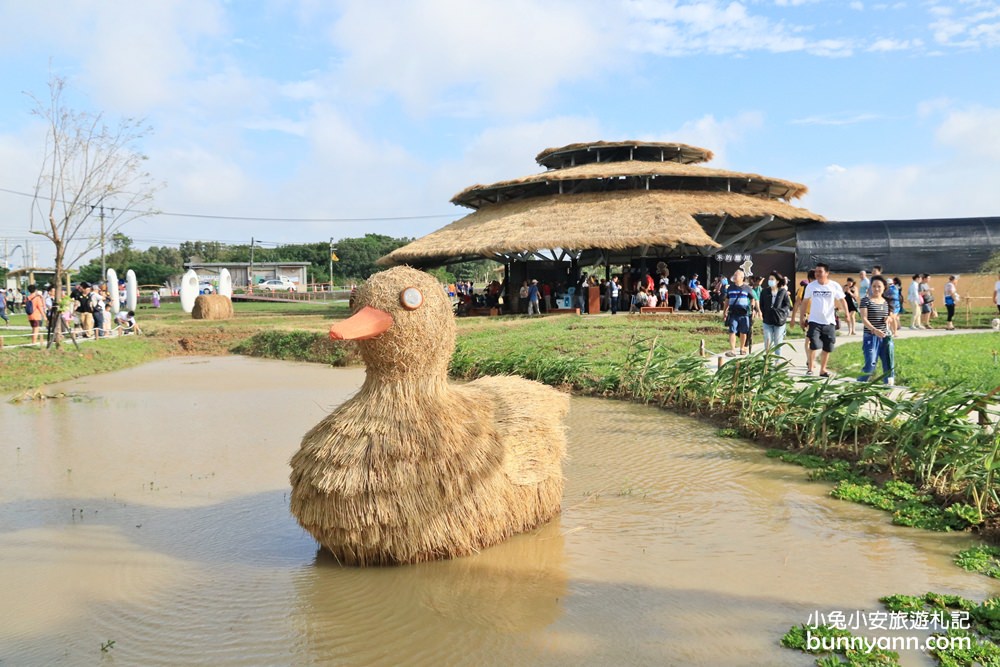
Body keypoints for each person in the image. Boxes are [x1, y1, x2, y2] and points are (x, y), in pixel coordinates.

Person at [799, 263, 847, 377]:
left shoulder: (834, 286)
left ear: (827, 273)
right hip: (814, 321)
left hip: (829, 321)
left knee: (828, 346)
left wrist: (847, 314)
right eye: (816, 272)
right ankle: (810, 368)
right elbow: (804, 302)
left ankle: (823, 370)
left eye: (820, 271)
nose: (817, 274)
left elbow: (842, 300)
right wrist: (802, 317)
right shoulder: (811, 286)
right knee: (813, 344)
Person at [858, 275, 895, 385]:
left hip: (885, 337)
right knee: (870, 364)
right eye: (874, 286)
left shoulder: (886, 302)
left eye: (879, 286)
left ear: (884, 287)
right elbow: (864, 319)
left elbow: (891, 316)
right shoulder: (866, 300)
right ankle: (859, 384)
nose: (876, 289)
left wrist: (889, 318)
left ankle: (888, 386)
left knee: (888, 363)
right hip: (871, 336)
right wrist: (874, 330)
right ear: (870, 287)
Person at [722, 269, 759, 356]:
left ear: (742, 278)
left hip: (744, 313)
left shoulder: (747, 288)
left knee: (743, 331)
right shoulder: (730, 288)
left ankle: (742, 348)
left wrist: (752, 309)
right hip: (733, 313)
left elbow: (752, 299)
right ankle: (733, 350)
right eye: (734, 275)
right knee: (732, 331)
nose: (734, 277)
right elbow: (727, 300)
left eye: (736, 275)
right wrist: (724, 311)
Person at [758, 271, 791, 352]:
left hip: (779, 320)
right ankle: (768, 361)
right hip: (767, 321)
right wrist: (764, 313)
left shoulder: (782, 292)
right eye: (769, 279)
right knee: (767, 341)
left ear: (777, 281)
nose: (770, 281)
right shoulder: (765, 292)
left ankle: (777, 362)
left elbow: (787, 305)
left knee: (778, 342)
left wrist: (781, 311)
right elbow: (761, 304)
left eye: (772, 279)